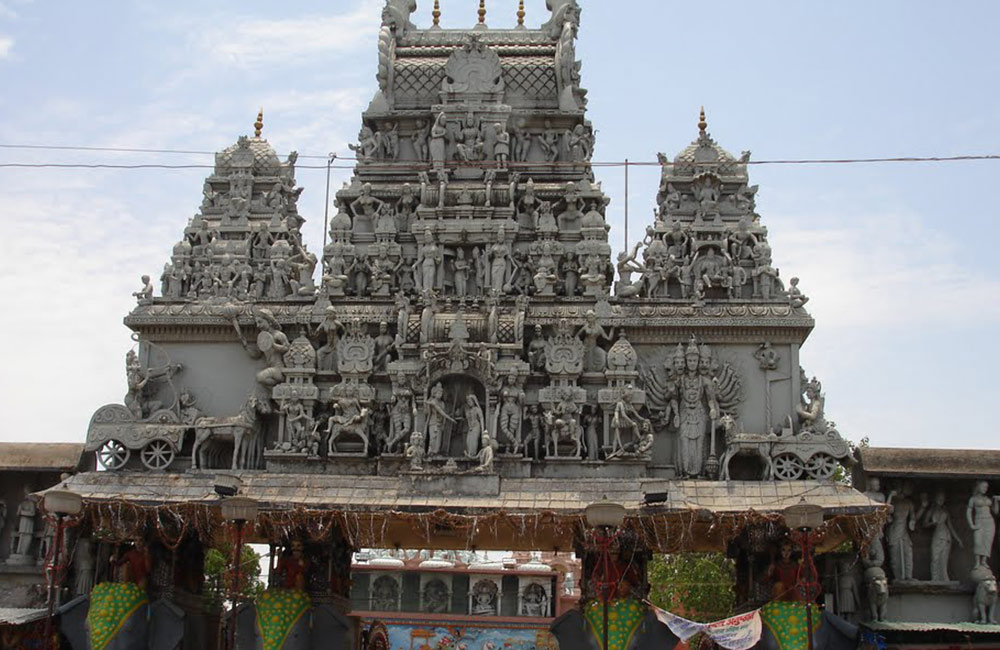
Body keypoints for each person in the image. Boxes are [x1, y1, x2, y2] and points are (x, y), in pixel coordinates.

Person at [967, 481, 998, 568]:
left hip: (989, 522)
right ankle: (977, 562)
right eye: (983, 487)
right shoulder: (973, 499)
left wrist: (995, 501)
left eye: (986, 487)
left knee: (987, 542)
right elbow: (968, 512)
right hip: (979, 522)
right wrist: (971, 524)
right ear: (978, 487)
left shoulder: (988, 499)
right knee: (978, 542)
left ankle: (984, 561)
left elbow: (995, 511)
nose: (985, 489)